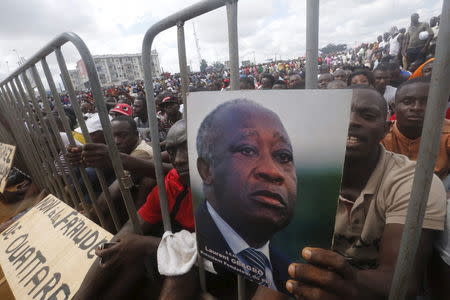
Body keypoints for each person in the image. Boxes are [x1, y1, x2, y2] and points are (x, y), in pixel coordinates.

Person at [285, 86, 446, 299]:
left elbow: (401, 283)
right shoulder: (299, 172)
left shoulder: (413, 182)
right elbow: (284, 260)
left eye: (367, 115)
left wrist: (343, 280)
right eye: (340, 114)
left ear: (386, 129)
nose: (351, 121)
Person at [73, 120, 196, 300]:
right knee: (125, 255)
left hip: (217, 271)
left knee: (180, 271)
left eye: (188, 147)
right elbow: (128, 230)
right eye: (172, 151)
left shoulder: (237, 187)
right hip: (177, 250)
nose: (179, 159)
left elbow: (213, 252)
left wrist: (144, 244)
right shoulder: (173, 181)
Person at [195, 99, 297, 293]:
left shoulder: (290, 272)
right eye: (247, 150)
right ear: (207, 170)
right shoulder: (191, 248)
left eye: (283, 156)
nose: (272, 171)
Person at [382, 77, 450, 179]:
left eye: (426, 102)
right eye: (407, 101)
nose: (416, 108)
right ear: (394, 107)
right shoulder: (381, 133)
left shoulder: (447, 134)